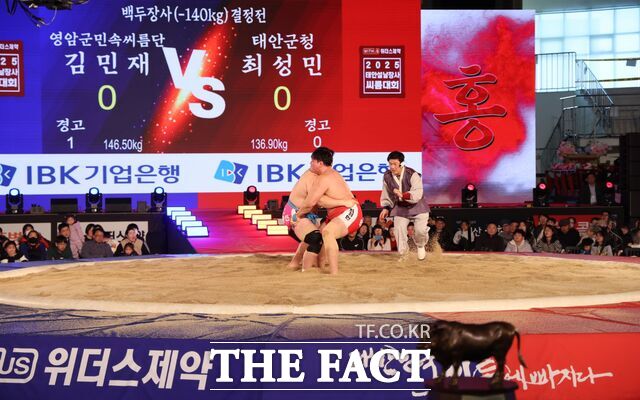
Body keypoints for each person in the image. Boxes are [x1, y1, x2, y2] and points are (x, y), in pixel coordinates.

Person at [296, 147, 362, 274]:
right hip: (337, 212)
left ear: (320, 163)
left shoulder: (325, 178)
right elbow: (320, 201)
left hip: (349, 211)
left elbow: (310, 203)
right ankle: (319, 267)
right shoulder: (326, 176)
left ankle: (334, 274)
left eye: (312, 161)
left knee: (328, 232)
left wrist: (297, 216)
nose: (310, 163)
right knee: (319, 235)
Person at [284, 165, 356, 270]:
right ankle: (306, 272)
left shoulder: (324, 177)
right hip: (294, 213)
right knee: (315, 238)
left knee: (317, 235)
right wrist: (344, 202)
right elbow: (316, 201)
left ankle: (295, 263)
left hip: (307, 214)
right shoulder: (312, 178)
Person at [379, 151, 430, 260]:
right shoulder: (387, 176)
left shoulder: (412, 174)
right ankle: (404, 254)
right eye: (390, 164)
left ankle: (421, 246)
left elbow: (418, 193)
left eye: (395, 164)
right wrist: (386, 208)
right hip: (401, 208)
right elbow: (386, 193)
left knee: (420, 231)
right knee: (398, 230)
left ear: (401, 164)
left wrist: (403, 195)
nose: (392, 167)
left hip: (418, 206)